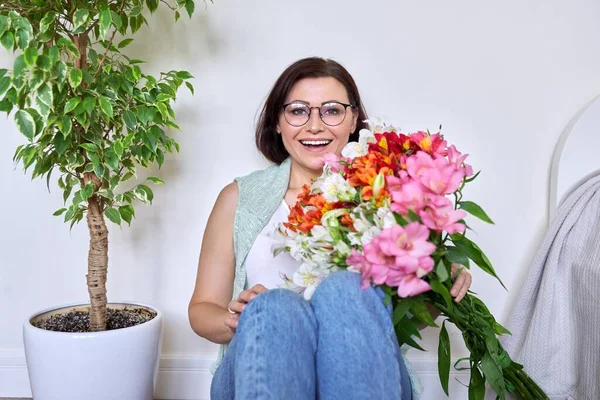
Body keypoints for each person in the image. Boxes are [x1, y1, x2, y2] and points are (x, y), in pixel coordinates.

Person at [188, 57, 473, 400]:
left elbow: (412, 321)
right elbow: (202, 308)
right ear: (277, 121)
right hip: (260, 362)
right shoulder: (239, 198)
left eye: (332, 110)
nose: (314, 126)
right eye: (298, 110)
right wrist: (233, 320)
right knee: (276, 307)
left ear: (354, 119)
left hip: (362, 369)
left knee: (347, 290)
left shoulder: (394, 194)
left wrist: (439, 282)